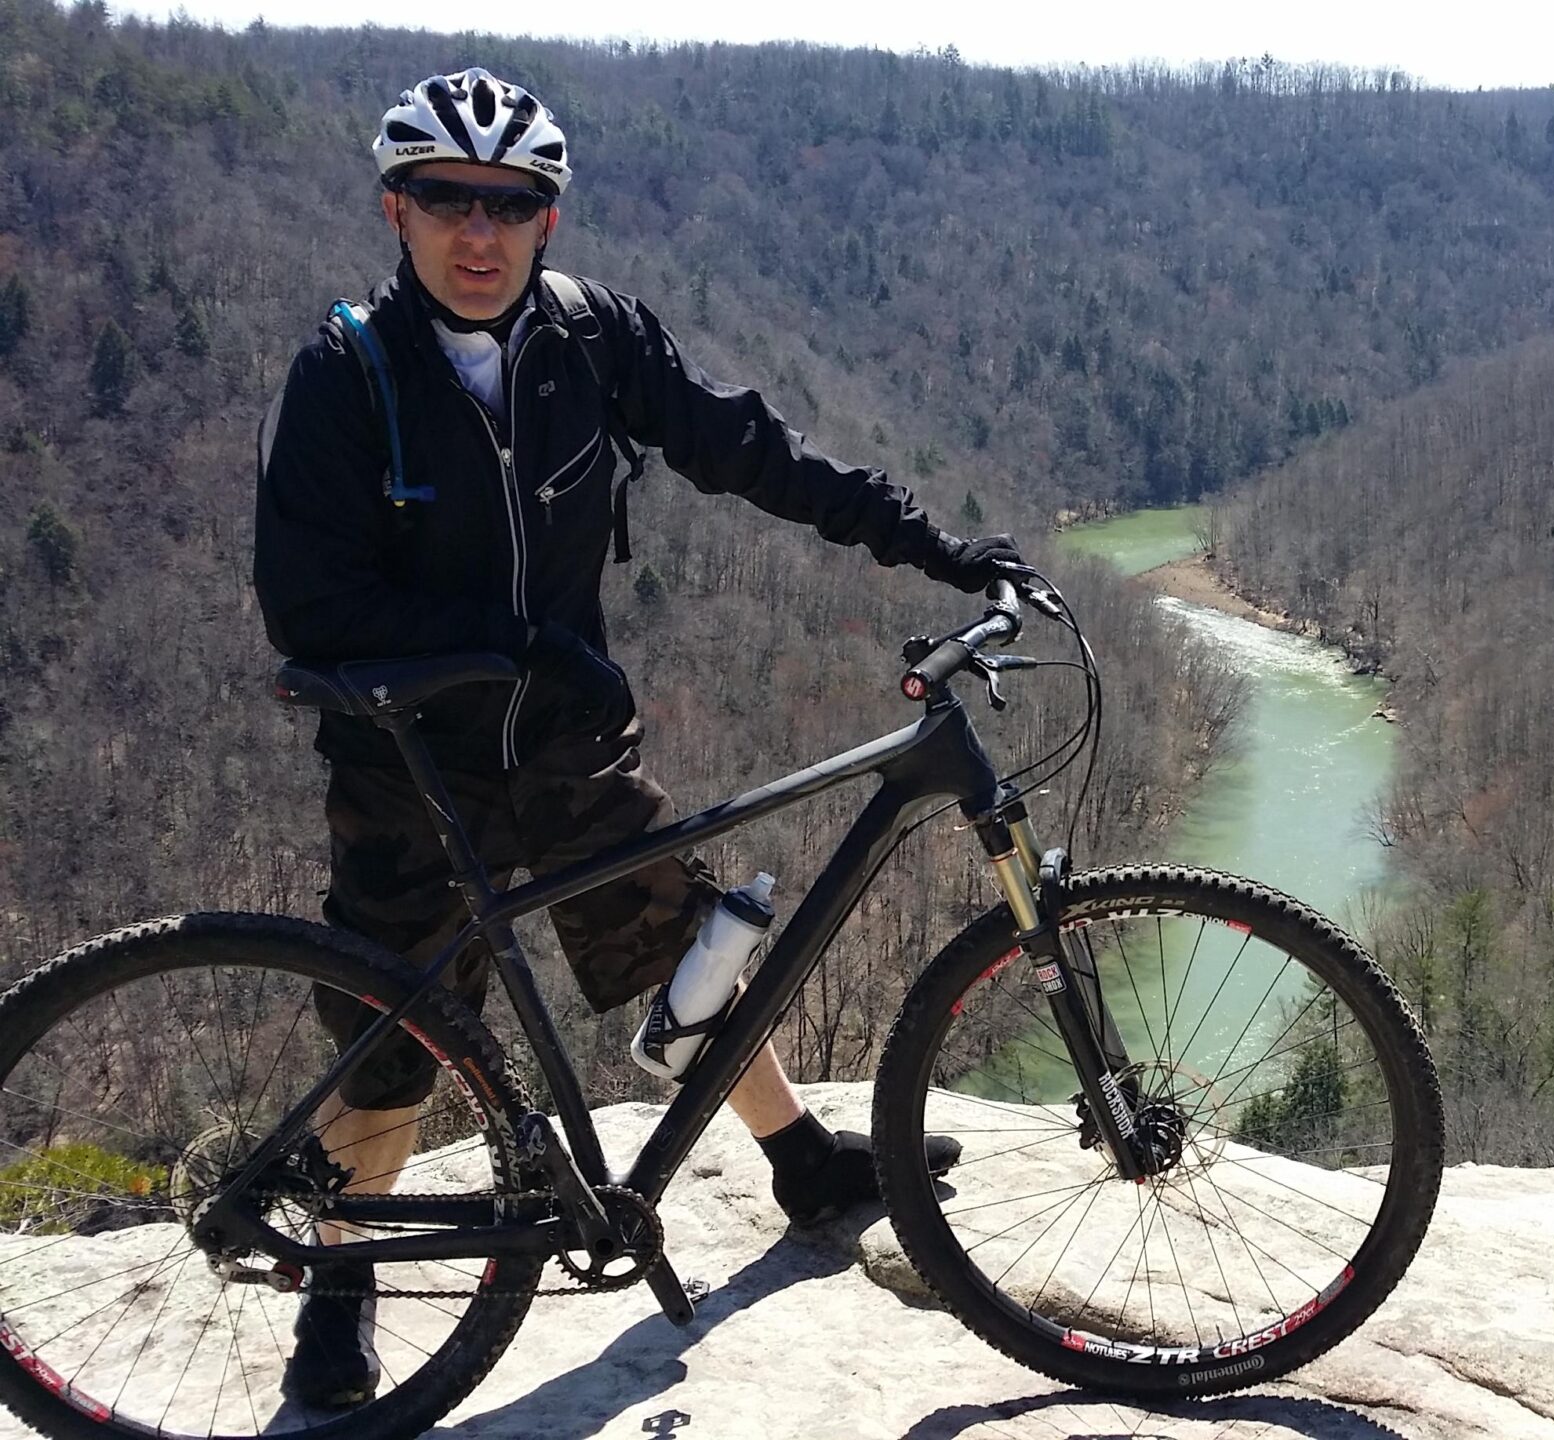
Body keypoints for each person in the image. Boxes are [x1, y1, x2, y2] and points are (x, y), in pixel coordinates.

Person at [253, 68, 1011, 1409]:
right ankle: (342, 1281)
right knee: (392, 1035)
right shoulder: (346, 374)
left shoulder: (593, 340)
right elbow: (309, 603)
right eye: (447, 200)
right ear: (397, 208)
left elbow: (750, 449)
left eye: (509, 203)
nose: (477, 231)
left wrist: (930, 545)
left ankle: (800, 1161)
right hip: (409, 769)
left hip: (568, 751)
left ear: (547, 218)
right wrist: (479, 657)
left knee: (687, 945)